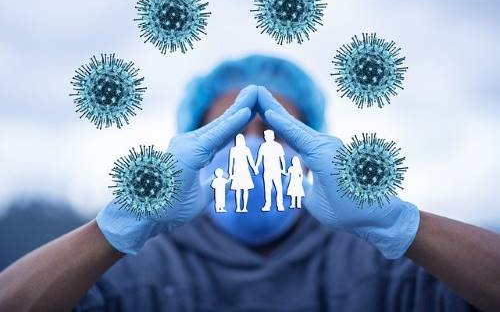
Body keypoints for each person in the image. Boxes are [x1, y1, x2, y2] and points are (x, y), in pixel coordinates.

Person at [0, 55, 500, 312]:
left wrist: (399, 222)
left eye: (276, 131)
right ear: (197, 147)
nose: (254, 145)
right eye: (231, 131)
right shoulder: (136, 269)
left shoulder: (382, 266)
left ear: (310, 152)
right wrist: (112, 230)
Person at [255, 129, 286, 212]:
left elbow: (282, 159)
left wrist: (283, 169)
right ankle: (267, 205)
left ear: (273, 136)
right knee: (268, 189)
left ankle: (279, 205)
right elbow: (259, 158)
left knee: (278, 189)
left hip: (276, 171)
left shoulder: (277, 146)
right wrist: (256, 167)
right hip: (267, 172)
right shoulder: (263, 146)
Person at [228, 133, 257, 213]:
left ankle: (244, 207)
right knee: (237, 191)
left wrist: (254, 169)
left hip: (245, 172)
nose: (252, 141)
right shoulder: (233, 150)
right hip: (237, 172)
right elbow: (231, 163)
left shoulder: (246, 150)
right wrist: (231, 173)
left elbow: (250, 160)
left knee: (245, 190)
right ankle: (238, 206)